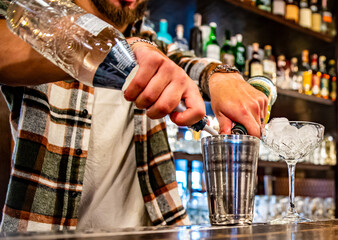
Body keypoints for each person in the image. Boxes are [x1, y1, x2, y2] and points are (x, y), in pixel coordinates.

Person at [0, 0, 268, 232]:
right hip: (47, 231)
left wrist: (220, 75)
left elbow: (186, 64)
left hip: (152, 232)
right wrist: (103, 49)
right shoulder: (36, 20)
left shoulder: (150, 42)